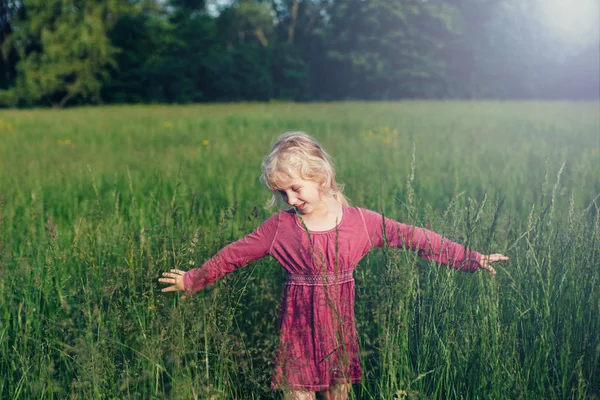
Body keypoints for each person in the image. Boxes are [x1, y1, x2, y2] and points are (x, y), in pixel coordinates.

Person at [158, 131, 509, 400]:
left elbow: (414, 237)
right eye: (283, 194)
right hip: (295, 332)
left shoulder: (360, 222)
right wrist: (193, 279)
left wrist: (470, 258)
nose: (290, 200)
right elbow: (233, 254)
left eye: (295, 189)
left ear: (320, 176)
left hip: (339, 334)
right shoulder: (280, 227)